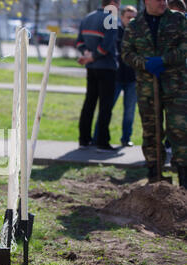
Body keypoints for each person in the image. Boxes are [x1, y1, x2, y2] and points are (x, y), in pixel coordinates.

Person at [122, 0, 186, 187]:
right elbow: (126, 53)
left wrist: (164, 60)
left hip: (177, 88)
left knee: (181, 131)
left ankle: (184, 183)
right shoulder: (135, 25)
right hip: (148, 89)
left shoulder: (178, 19)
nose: (163, 2)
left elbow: (184, 46)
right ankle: (155, 179)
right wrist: (144, 63)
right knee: (151, 133)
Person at [76, 0, 120, 153]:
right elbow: (107, 44)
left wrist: (86, 55)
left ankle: (84, 139)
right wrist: (94, 56)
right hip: (106, 67)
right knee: (105, 106)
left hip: (92, 68)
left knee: (89, 102)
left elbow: (79, 42)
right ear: (112, 3)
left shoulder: (88, 17)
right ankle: (102, 142)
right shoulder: (111, 18)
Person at [92, 5, 138, 147]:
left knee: (129, 112)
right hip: (116, 78)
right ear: (122, 17)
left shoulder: (139, 33)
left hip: (132, 79)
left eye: (134, 17)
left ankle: (126, 138)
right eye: (128, 17)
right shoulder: (115, 31)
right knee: (106, 109)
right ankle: (97, 138)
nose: (131, 20)